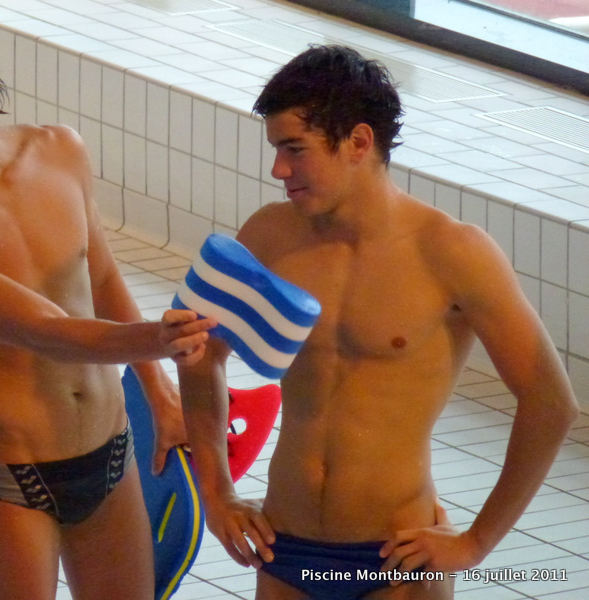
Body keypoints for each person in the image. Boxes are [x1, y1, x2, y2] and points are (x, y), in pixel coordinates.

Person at [177, 45, 578, 599]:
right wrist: (217, 493)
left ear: (359, 142)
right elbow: (201, 355)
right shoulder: (268, 235)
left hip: (394, 556)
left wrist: (477, 543)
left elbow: (550, 402)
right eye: (276, 149)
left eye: (295, 149)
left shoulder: (452, 253)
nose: (279, 169)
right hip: (283, 544)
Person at [0, 32, 215, 600]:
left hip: (112, 447)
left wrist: (160, 392)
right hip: (16, 475)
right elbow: (44, 331)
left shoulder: (61, 150)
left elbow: (100, 276)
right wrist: (156, 340)